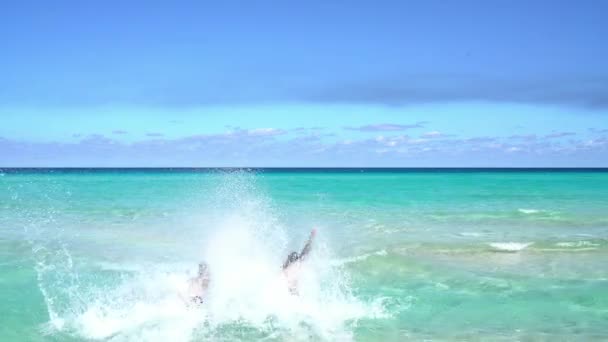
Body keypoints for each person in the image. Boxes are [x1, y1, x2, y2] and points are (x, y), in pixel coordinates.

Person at [282, 229, 316, 294]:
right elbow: (306, 250)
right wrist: (311, 237)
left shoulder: (295, 264)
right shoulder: (287, 269)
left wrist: (311, 238)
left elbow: (306, 250)